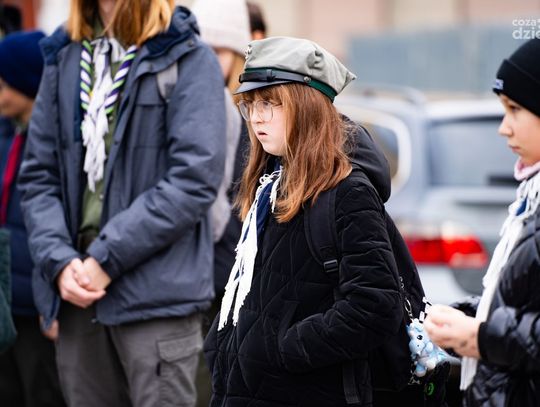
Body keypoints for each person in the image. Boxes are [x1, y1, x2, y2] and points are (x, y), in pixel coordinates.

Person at [17, 1, 226, 406]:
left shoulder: (187, 56)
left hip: (155, 300)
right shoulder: (64, 55)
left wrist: (105, 259)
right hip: (78, 295)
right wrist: (58, 261)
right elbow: (39, 175)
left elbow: (194, 179)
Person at [203, 36, 404, 406]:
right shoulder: (270, 184)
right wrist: (220, 346)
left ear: (306, 106)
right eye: (251, 104)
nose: (257, 117)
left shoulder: (347, 192)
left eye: (270, 103)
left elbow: (376, 306)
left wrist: (287, 348)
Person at [424, 38, 540, 406]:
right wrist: (464, 318)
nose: (504, 127)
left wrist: (480, 337)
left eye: (514, 109)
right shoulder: (531, 196)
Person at [0, 30, 66, 407]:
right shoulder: (6, 134)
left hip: (36, 302)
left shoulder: (52, 144)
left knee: (42, 390)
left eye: (3, 84)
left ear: (26, 84)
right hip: (5, 298)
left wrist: (51, 300)